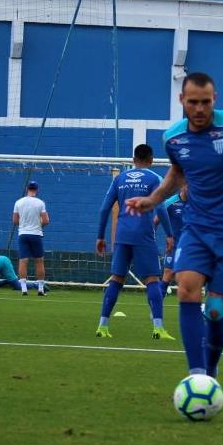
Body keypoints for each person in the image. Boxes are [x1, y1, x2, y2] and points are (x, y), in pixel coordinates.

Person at [126, 72, 223, 379]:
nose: (199, 109)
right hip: (196, 228)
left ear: (215, 99)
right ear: (181, 101)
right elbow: (177, 174)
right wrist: (152, 199)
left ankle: (211, 368)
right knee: (187, 290)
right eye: (193, 102)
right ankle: (197, 374)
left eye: (205, 102)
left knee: (215, 310)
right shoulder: (172, 138)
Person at [94, 144, 175, 340]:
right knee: (152, 280)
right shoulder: (155, 178)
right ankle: (158, 328)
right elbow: (162, 208)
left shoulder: (120, 179)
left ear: (133, 160)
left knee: (116, 279)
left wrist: (100, 236)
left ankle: (102, 326)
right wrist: (170, 235)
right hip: (143, 235)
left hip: (121, 235)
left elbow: (105, 208)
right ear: (152, 160)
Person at [13, 181, 49, 296]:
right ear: (37, 190)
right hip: (36, 234)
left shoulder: (18, 202)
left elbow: (15, 220)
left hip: (23, 234)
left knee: (23, 261)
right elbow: (46, 220)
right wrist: (38, 224)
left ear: (27, 189)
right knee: (39, 261)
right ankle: (40, 289)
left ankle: (23, 289)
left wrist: (24, 225)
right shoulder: (40, 203)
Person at [158, 186, 187, 297]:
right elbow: (156, 220)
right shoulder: (171, 202)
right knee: (167, 274)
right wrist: (153, 236)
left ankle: (198, 307)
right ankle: (157, 307)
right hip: (174, 246)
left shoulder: (196, 203)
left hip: (190, 247)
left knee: (192, 276)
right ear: (182, 186)